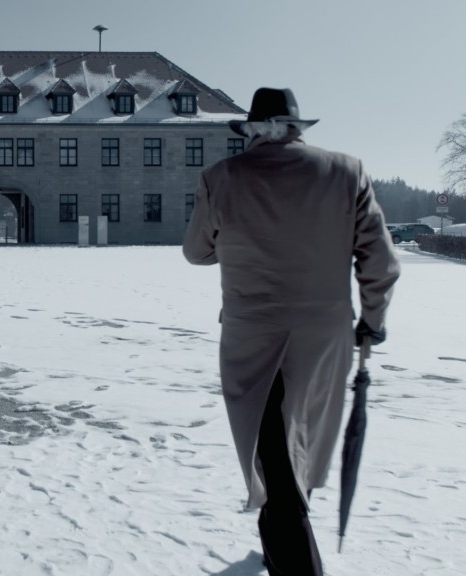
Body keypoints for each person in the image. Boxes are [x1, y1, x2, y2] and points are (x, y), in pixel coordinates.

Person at [182, 87, 400, 576]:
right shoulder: (347, 172)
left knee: (273, 453)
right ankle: (279, 541)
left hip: (252, 335)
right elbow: (380, 261)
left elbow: (196, 252)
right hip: (325, 335)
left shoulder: (222, 177)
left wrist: (234, 238)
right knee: (297, 440)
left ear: (251, 130)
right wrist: (373, 318)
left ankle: (293, 554)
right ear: (297, 127)